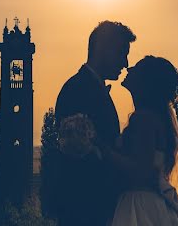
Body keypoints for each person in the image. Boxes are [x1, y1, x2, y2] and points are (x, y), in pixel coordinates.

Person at [111, 56, 178, 226]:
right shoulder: (157, 119)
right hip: (154, 205)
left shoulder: (144, 119)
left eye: (136, 67)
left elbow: (140, 171)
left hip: (138, 207)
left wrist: (101, 148)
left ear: (146, 81)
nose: (129, 69)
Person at [53, 20, 136, 226]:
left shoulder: (87, 87)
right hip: (85, 211)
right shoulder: (77, 90)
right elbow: (78, 154)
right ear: (104, 49)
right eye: (122, 53)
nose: (125, 63)